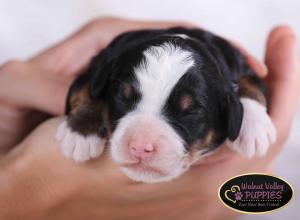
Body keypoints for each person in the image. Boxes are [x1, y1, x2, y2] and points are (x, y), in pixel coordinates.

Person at [0, 17, 299, 220]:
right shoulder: (113, 58)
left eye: (188, 111)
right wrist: (86, 116)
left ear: (230, 110)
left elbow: (249, 78)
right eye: (125, 98)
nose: (141, 145)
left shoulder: (229, 72)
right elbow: (92, 81)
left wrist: (254, 105)